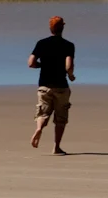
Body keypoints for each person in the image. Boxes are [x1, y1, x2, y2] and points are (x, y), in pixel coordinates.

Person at [29, 16, 76, 155]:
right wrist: (71, 75)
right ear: (62, 28)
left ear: (50, 28)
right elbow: (68, 66)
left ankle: (39, 129)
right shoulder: (68, 45)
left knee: (43, 113)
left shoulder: (41, 43)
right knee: (60, 118)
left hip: (44, 85)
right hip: (61, 86)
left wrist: (41, 65)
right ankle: (56, 147)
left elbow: (31, 62)